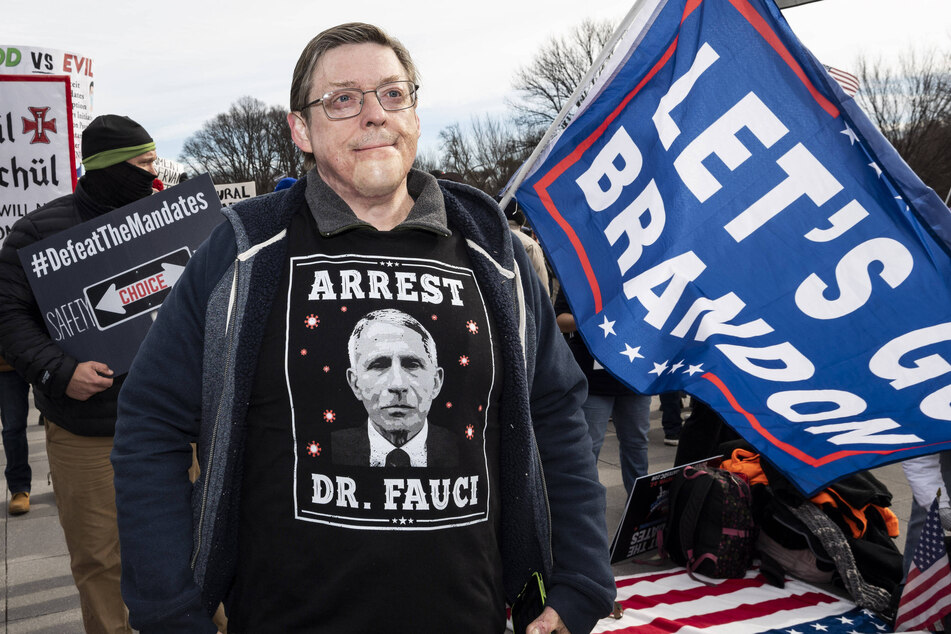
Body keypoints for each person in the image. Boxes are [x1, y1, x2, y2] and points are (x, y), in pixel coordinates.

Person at [112, 22, 614, 634]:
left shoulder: (494, 255)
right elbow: (151, 422)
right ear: (302, 128)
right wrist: (166, 607)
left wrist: (581, 577)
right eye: (343, 99)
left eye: (392, 94)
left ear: (415, 113)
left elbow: (555, 412)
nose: (373, 115)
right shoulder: (244, 253)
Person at [0, 113, 157, 633]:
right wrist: (59, 370)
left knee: (195, 543)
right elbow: (6, 314)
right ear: (108, 168)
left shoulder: (166, 219)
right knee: (100, 560)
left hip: (175, 424)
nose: (154, 175)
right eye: (143, 164)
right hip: (88, 431)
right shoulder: (36, 232)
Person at [332, 308, 460, 467]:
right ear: (355, 383)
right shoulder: (330, 450)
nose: (397, 384)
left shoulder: (461, 449)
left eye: (412, 365)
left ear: (436, 382)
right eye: (378, 365)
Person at [554, 287, 651, 495]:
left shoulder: (642, 269)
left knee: (636, 446)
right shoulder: (581, 271)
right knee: (588, 449)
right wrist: (595, 318)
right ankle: (584, 512)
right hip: (594, 380)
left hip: (634, 377)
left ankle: (638, 513)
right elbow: (559, 319)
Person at [0, 354, 31, 514]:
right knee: (12, 429)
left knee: (58, 422)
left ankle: (62, 481)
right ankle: (19, 487)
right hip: (6, 365)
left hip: (45, 355)